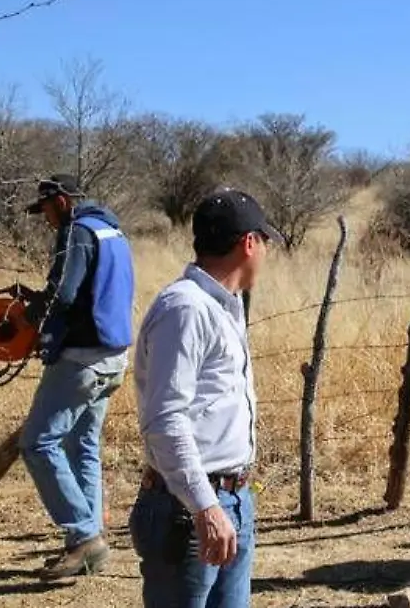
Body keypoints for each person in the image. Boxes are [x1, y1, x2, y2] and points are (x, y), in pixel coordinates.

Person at [129, 188, 280, 607]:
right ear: (248, 243)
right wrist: (205, 507)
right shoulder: (186, 310)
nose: (266, 252)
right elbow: (165, 419)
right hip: (188, 509)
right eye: (264, 241)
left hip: (231, 499)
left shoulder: (224, 306)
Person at [18, 173, 135, 580]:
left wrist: (26, 319)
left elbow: (62, 294)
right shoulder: (112, 231)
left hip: (82, 359)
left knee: (37, 444)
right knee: (81, 445)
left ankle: (84, 536)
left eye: (46, 209)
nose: (46, 219)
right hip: (113, 357)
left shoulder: (76, 232)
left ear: (62, 201)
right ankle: (89, 542)